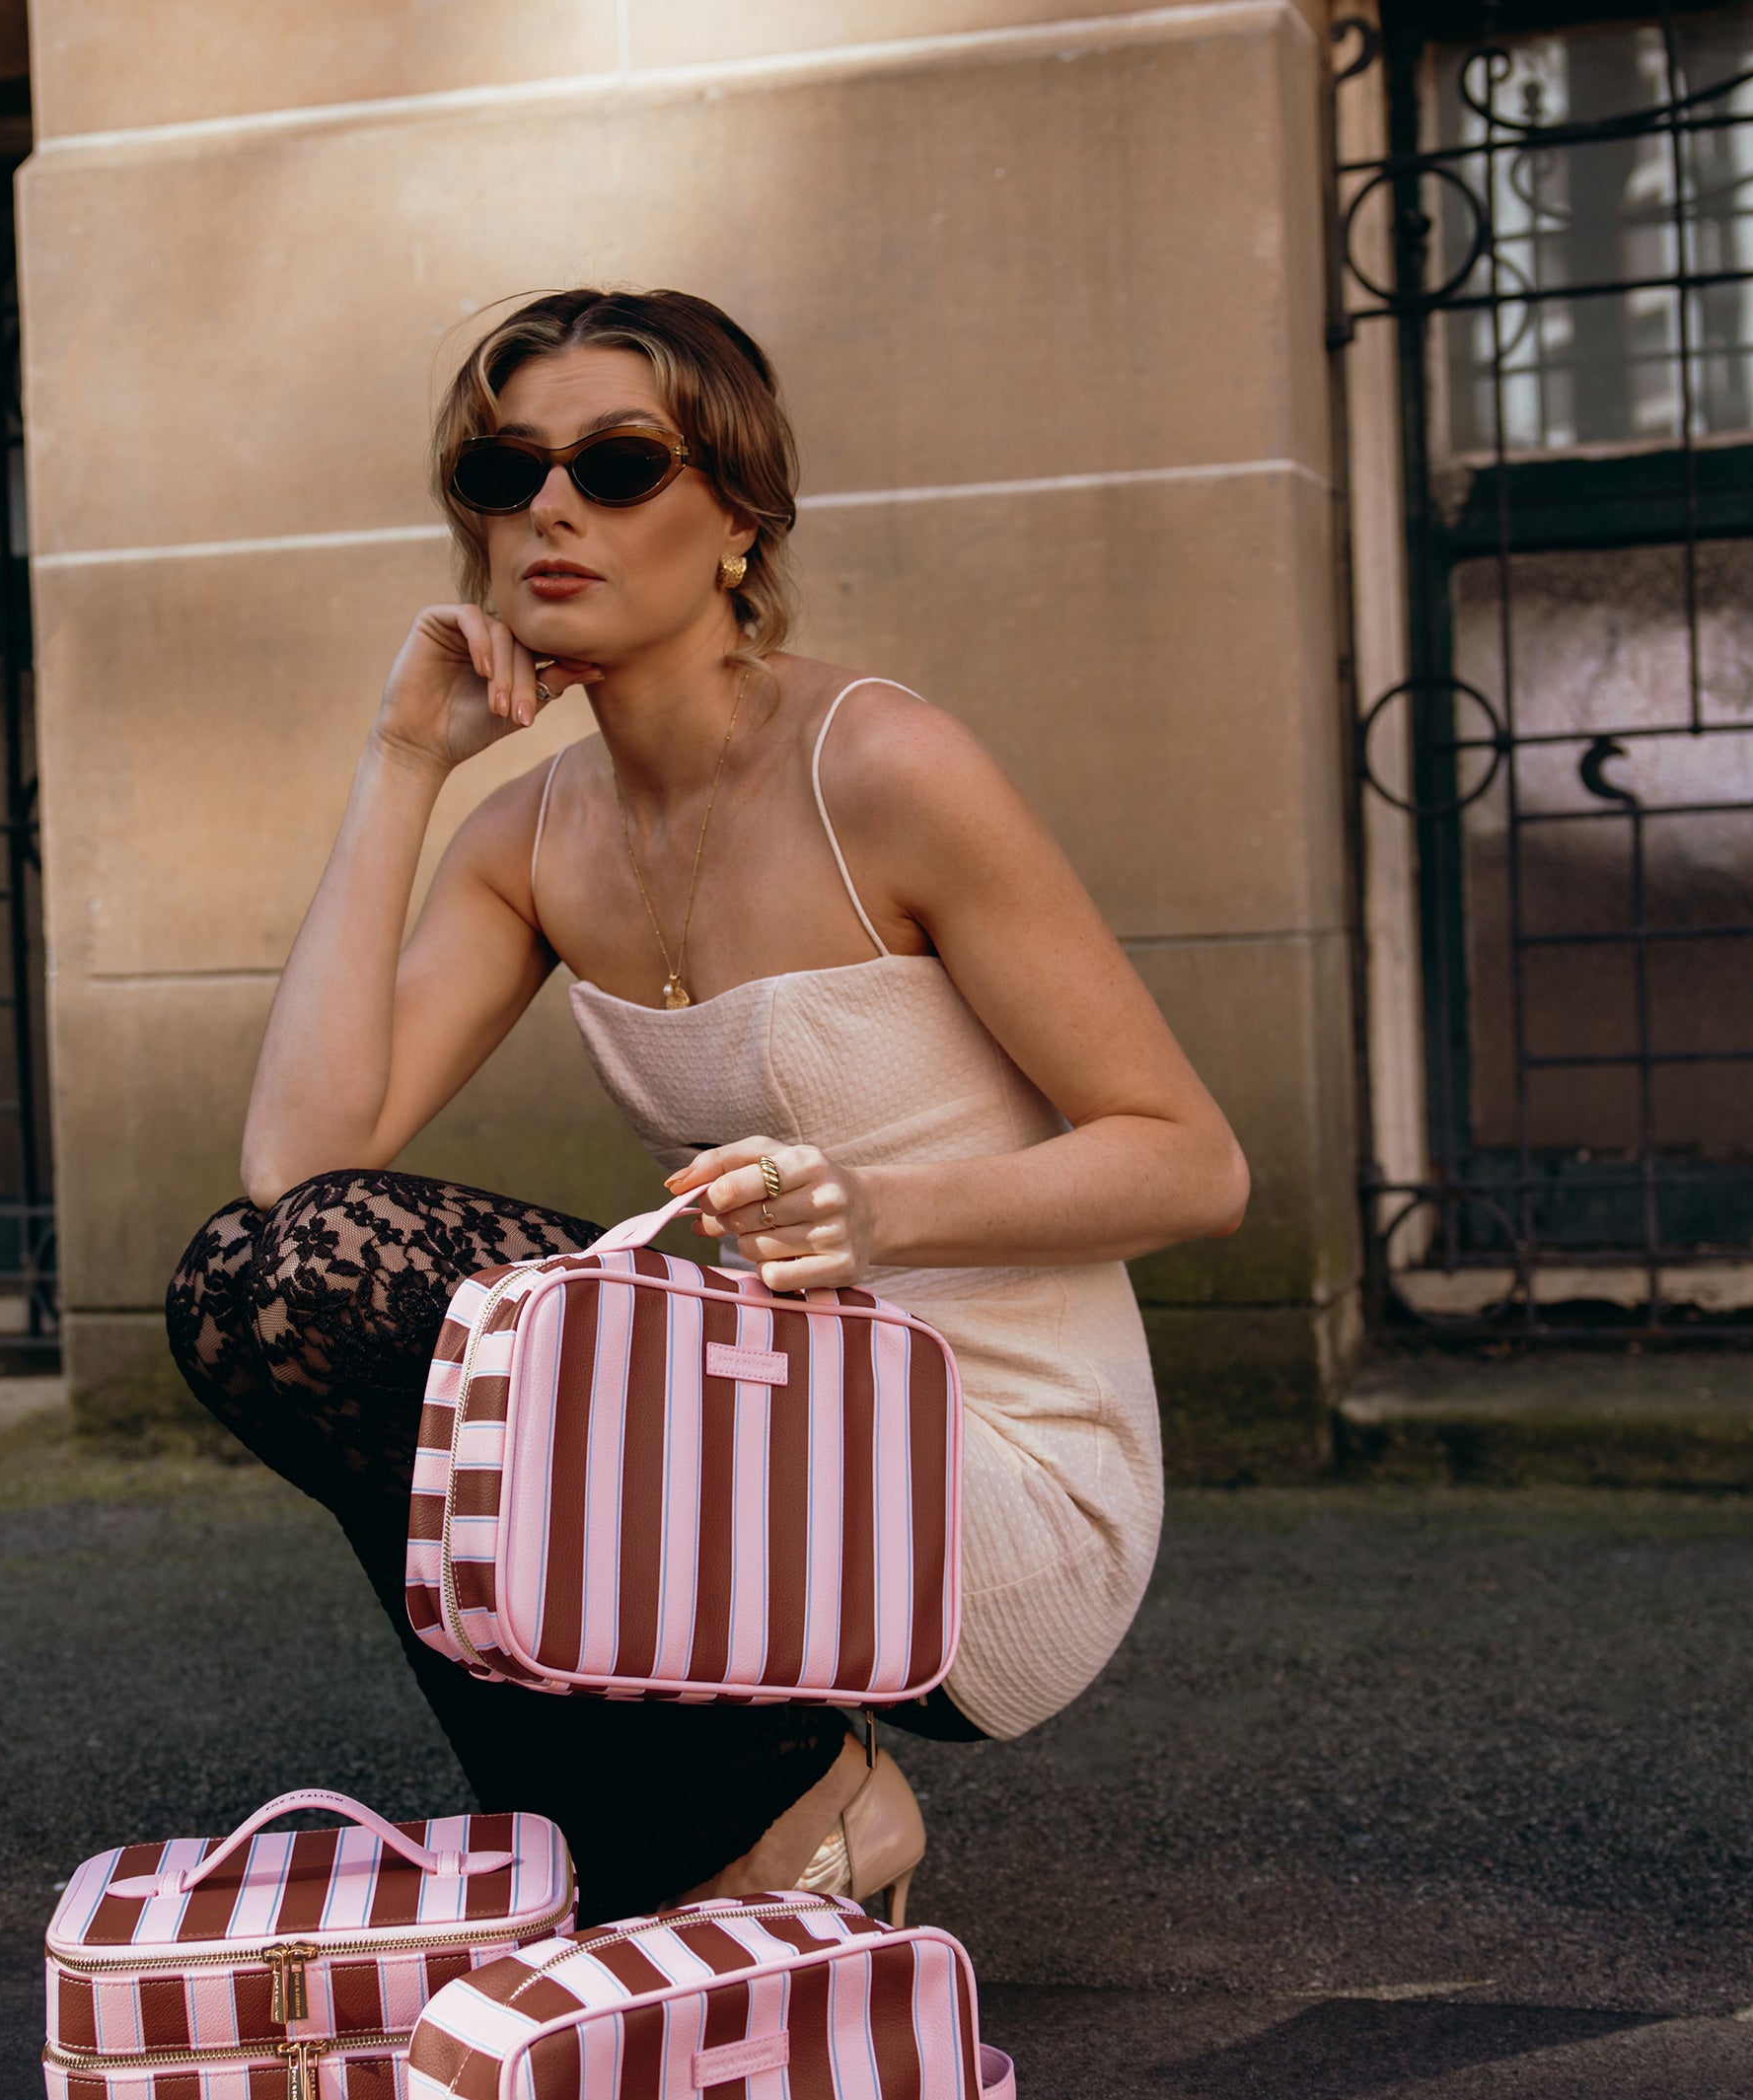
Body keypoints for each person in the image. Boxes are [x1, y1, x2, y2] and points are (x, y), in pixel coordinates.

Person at [167, 288, 1247, 1923]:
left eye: (615, 466)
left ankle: (780, 1804)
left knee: (331, 1273)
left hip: (992, 1469)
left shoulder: (880, 766)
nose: (550, 506)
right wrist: (405, 760)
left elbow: (1195, 1164)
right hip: (777, 1418)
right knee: (237, 1286)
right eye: (505, 470)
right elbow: (296, 1161)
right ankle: (704, 1840)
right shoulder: (531, 837)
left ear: (739, 518)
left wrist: (884, 1210)